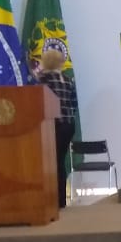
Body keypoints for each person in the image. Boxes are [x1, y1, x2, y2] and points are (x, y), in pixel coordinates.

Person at [35, 48, 77, 208]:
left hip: (51, 127)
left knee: (50, 163)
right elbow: (74, 104)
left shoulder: (42, 81)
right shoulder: (67, 80)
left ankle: (50, 199)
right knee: (60, 161)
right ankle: (61, 200)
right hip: (68, 126)